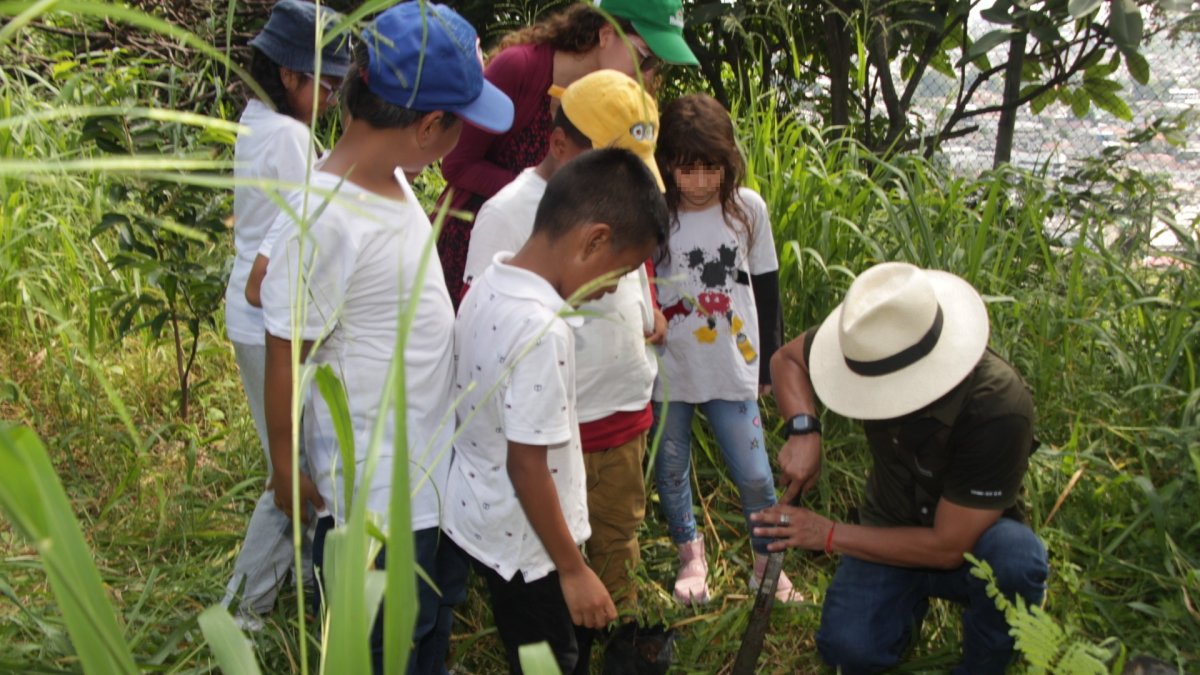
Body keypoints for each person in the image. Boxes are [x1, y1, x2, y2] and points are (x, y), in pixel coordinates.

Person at [258, 3, 513, 673]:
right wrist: (286, 469)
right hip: (372, 505)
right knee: (377, 647)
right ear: (431, 126)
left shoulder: (393, 178)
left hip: (423, 483)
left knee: (421, 630)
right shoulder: (326, 215)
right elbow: (285, 343)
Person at [755, 262, 1049, 674]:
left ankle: (985, 663)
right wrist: (804, 430)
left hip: (971, 542)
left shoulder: (997, 405)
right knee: (848, 649)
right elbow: (787, 359)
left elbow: (948, 547)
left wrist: (828, 534)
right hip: (889, 523)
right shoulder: (869, 340)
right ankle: (902, 612)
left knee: (1016, 562)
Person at [462, 68, 667, 654]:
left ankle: (611, 637)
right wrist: (573, 570)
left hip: (609, 421)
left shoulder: (524, 280)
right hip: (535, 502)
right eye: (618, 273)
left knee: (612, 540)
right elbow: (526, 462)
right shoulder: (537, 312)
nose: (614, 288)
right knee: (551, 639)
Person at [220, 0, 350, 629]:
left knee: (293, 459)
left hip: (248, 320)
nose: (332, 97)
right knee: (293, 471)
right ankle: (242, 611)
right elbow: (281, 261)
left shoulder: (255, 121)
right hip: (270, 320)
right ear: (292, 77)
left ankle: (299, 572)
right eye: (326, 83)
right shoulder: (294, 141)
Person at [435, 0, 697, 304]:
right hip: (485, 242)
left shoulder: (628, 97)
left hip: (571, 255)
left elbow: (632, 195)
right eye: (644, 58)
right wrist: (546, 194)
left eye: (656, 65)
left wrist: (647, 298)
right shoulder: (519, 67)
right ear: (606, 34)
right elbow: (457, 164)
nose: (647, 76)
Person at [649, 93, 791, 605]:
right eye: (688, 171)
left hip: (734, 365)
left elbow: (768, 283)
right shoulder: (656, 211)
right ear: (667, 167)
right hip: (670, 369)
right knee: (669, 466)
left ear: (728, 163)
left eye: (712, 169)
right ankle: (691, 554)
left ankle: (767, 565)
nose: (702, 183)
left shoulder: (747, 209)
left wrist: (770, 364)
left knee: (755, 473)